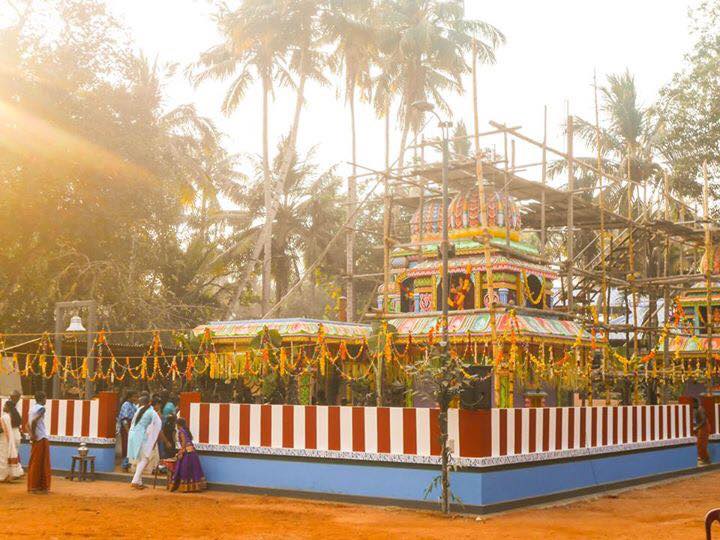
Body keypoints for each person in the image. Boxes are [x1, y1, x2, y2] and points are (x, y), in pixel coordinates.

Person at [127, 395, 162, 489]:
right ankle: (135, 481)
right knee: (145, 459)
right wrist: (153, 441)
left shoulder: (140, 409)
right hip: (141, 436)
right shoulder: (152, 413)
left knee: (139, 459)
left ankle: (139, 482)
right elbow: (158, 427)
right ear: (157, 405)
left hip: (133, 434)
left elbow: (133, 422)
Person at [170, 417, 206, 493]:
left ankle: (184, 487)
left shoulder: (181, 431)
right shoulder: (186, 430)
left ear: (178, 424)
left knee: (184, 469)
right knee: (193, 469)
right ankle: (195, 487)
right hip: (192, 452)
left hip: (186, 452)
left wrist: (181, 452)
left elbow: (184, 442)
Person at [26, 391, 51, 493]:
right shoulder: (42, 408)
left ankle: (33, 486)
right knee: (43, 463)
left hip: (36, 438)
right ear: (42, 398)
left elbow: (27, 424)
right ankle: (41, 486)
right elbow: (34, 421)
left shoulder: (31, 409)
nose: (46, 400)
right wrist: (33, 434)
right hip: (41, 437)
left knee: (34, 461)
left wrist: (31, 435)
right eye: (45, 398)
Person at [0, 401, 22, 482]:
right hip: (12, 437)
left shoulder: (4, 417)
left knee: (3, 457)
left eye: (4, 406)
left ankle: (2, 476)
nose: (3, 407)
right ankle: (14, 473)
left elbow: (2, 429)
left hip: (4, 439)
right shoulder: (11, 416)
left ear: (8, 407)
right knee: (12, 455)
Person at [117, 391, 138, 471]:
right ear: (130, 397)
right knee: (126, 446)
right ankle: (124, 464)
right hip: (126, 427)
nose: (136, 398)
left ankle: (129, 464)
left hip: (132, 426)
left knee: (131, 446)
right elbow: (124, 419)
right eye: (134, 397)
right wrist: (128, 431)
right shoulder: (126, 405)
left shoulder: (133, 405)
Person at [692, 397, 711, 466]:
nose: (692, 406)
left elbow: (703, 420)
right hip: (701, 428)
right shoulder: (695, 409)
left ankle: (706, 460)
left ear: (695, 403)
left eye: (693, 404)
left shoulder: (700, 409)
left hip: (704, 428)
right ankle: (703, 458)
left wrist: (696, 427)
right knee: (699, 444)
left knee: (702, 444)